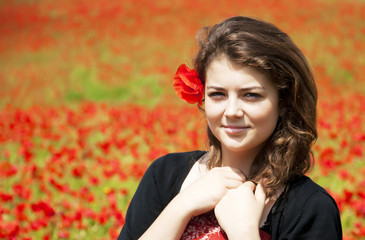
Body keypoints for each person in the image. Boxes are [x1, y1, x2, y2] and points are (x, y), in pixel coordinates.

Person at [117, 16, 342, 240]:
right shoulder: (164, 175)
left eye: (251, 95)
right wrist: (180, 207)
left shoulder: (310, 209)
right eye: (218, 94)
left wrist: (244, 233)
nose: (232, 110)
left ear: (283, 102)